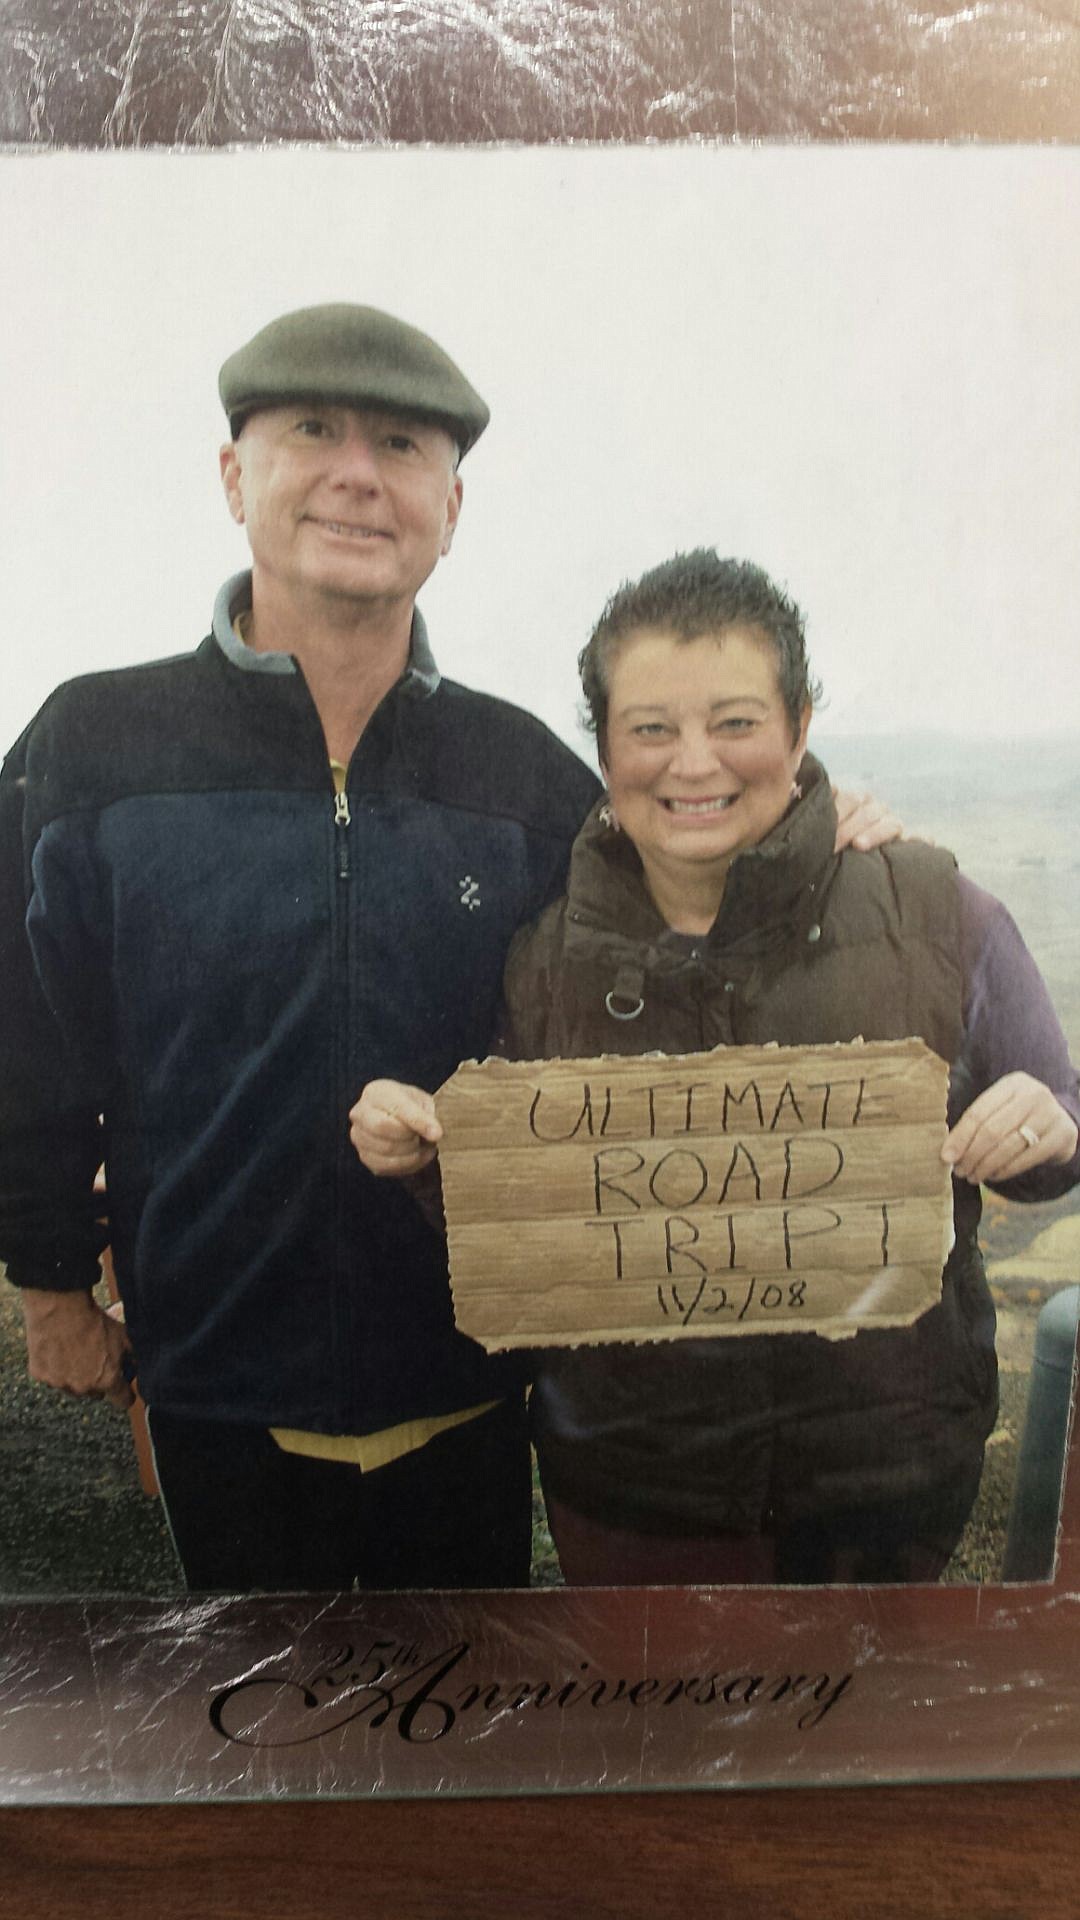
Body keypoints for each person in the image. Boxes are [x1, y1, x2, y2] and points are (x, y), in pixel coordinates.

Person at [0, 312, 901, 1597]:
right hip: (212, 1391)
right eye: (312, 429)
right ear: (231, 476)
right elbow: (23, 1036)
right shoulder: (89, 745)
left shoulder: (527, 778)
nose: (359, 472)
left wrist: (836, 830)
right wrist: (47, 1282)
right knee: (264, 1759)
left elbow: (692, 940)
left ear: (453, 505)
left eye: (403, 444)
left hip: (476, 1394)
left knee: (459, 1770)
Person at [351, 551, 1080, 1586]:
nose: (694, 764)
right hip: (635, 1496)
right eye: (651, 729)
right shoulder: (543, 957)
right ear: (602, 747)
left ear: (800, 727)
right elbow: (521, 1218)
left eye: (735, 722)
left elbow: (1058, 1136)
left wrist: (1049, 1124)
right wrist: (425, 1156)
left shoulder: (939, 911)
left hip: (889, 1490)